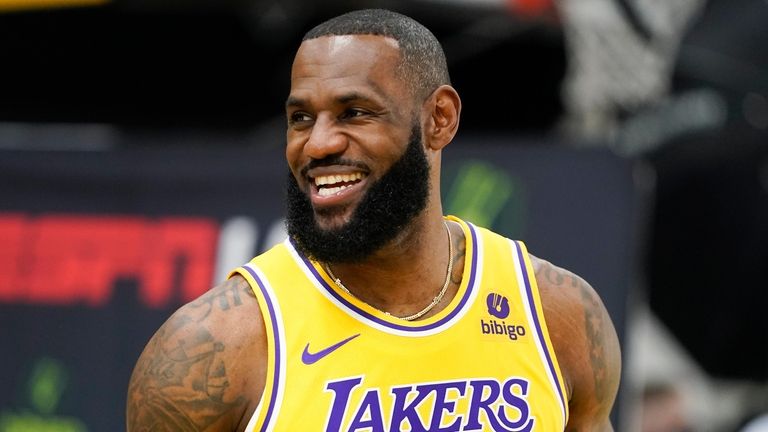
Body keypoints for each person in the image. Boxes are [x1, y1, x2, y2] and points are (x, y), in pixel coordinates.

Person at [126, 8, 621, 431]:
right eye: (301, 118)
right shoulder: (211, 350)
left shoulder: (558, 315)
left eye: (355, 112)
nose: (317, 144)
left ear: (439, 119)